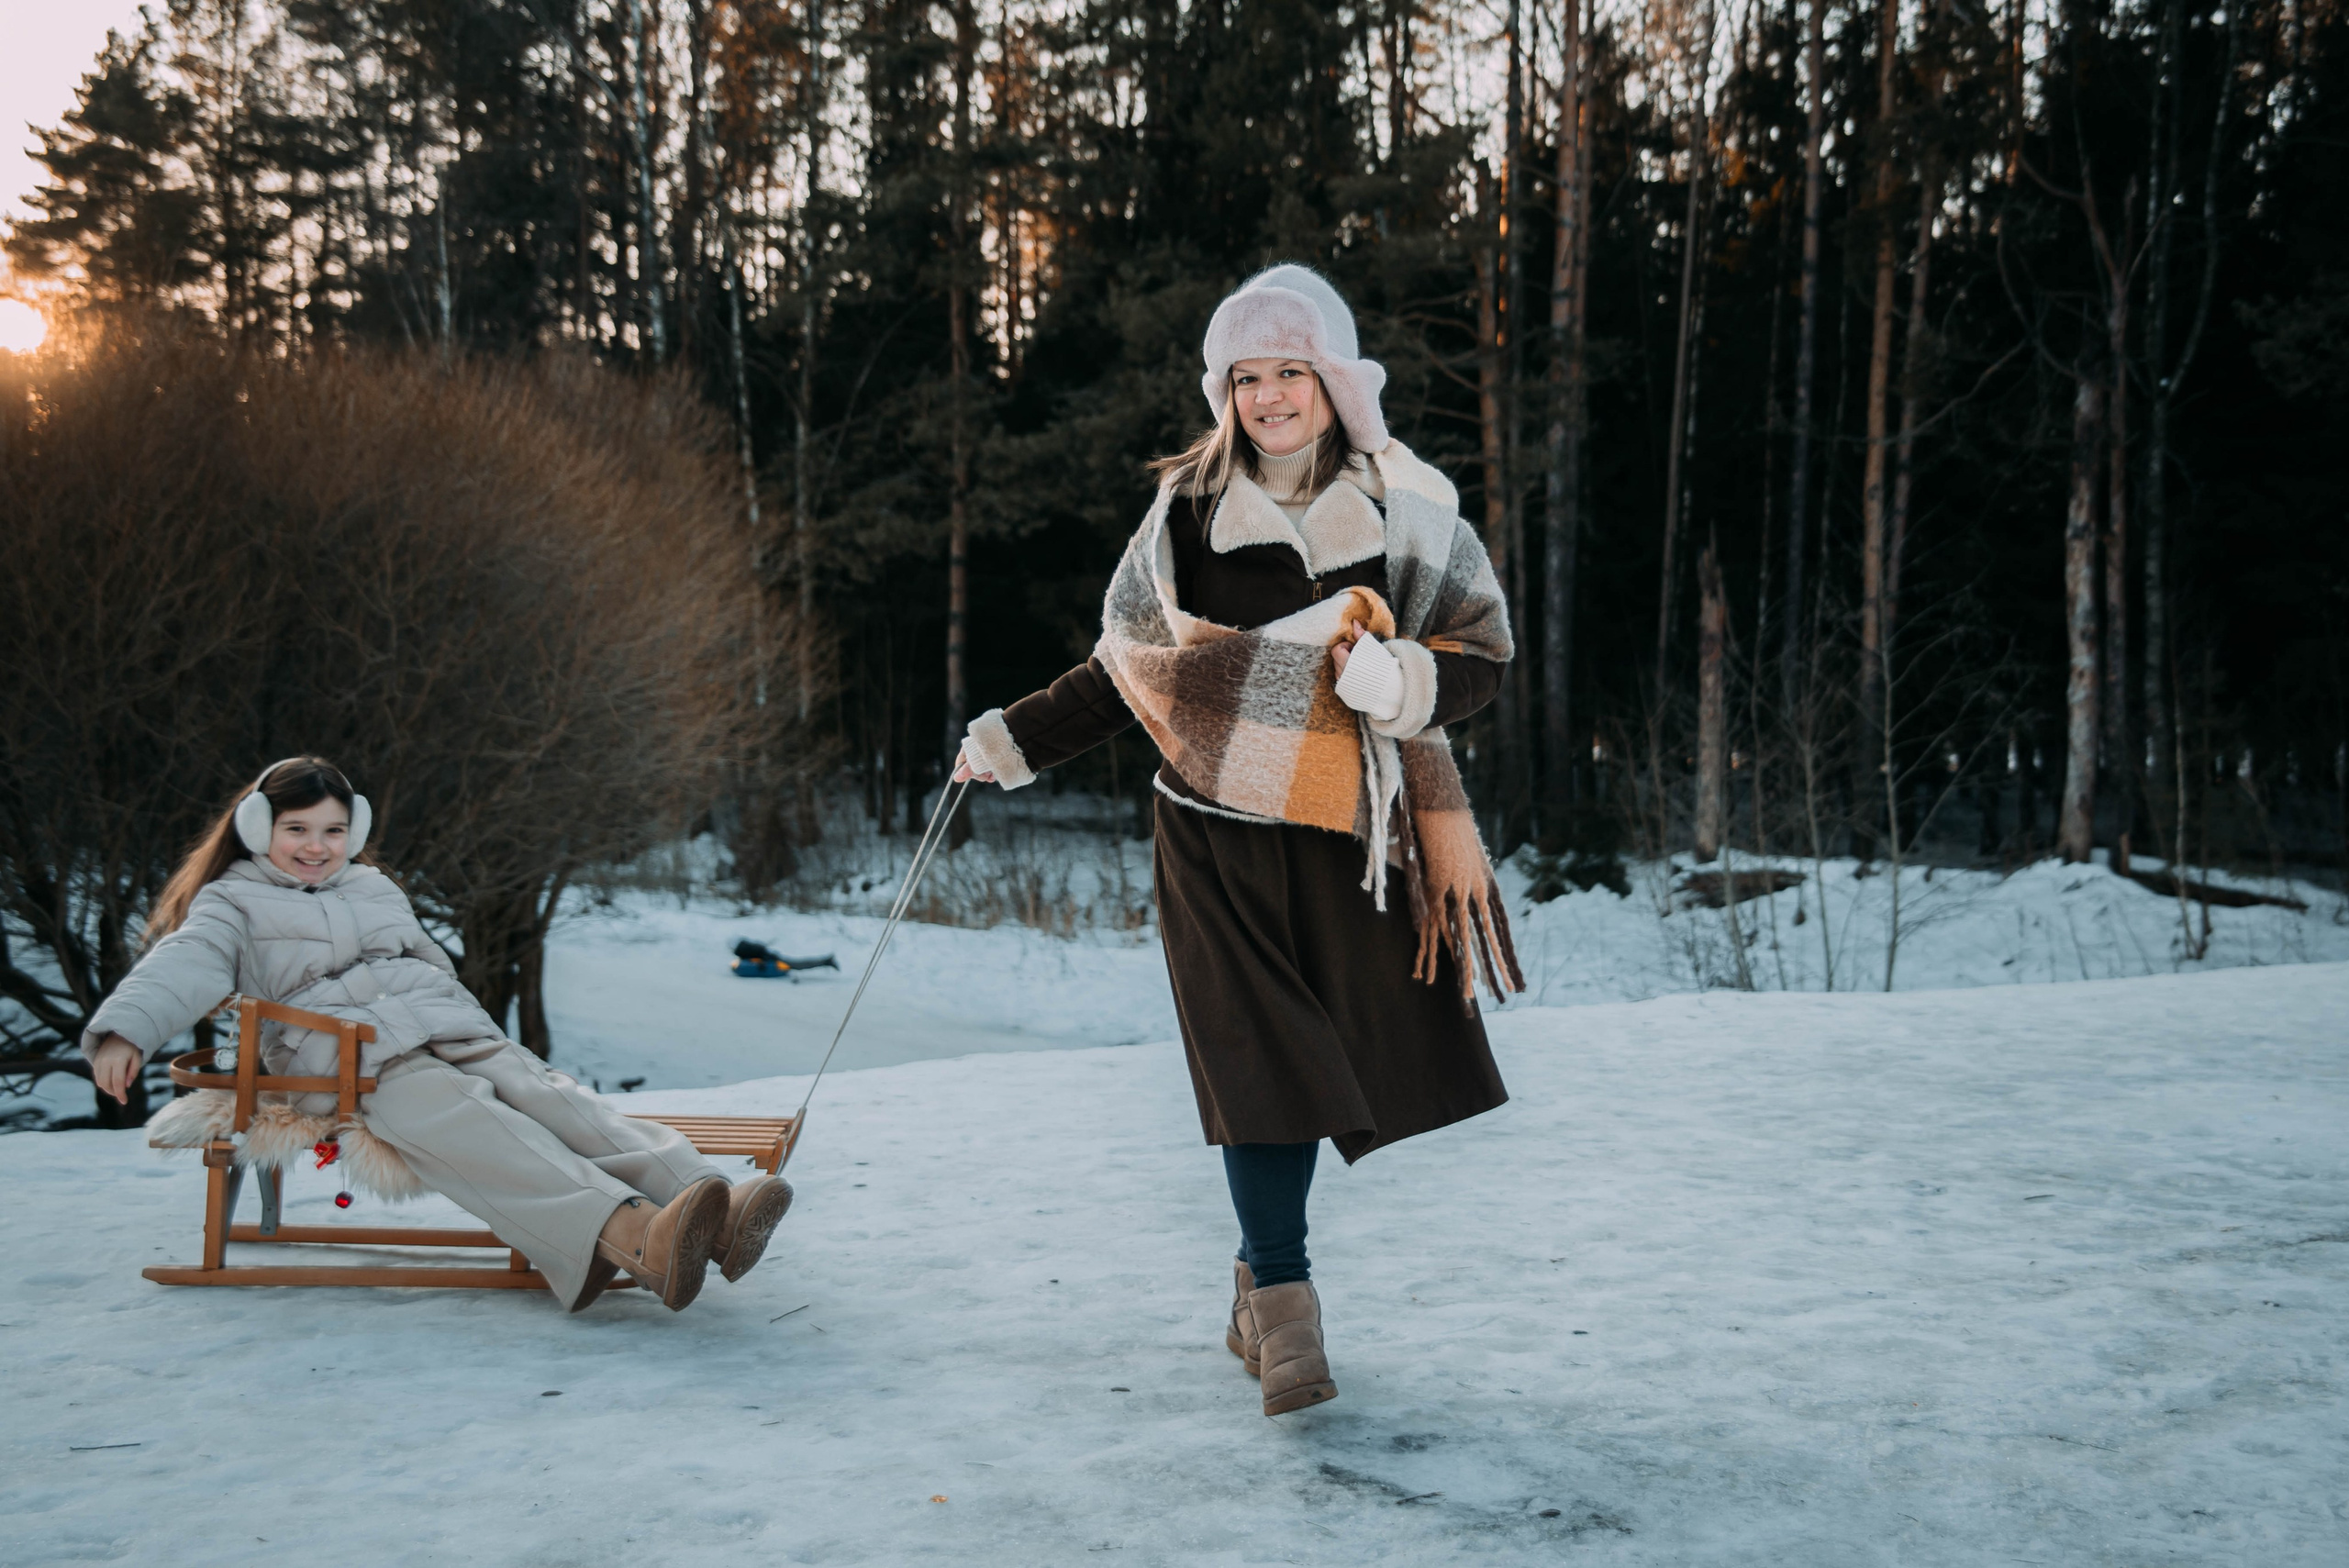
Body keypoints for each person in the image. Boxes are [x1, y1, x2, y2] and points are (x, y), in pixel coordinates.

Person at [952, 265, 1523, 1416]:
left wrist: (1403, 676)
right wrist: (1011, 739)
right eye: (1245, 376)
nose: (1267, 396)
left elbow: (1483, 659)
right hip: (1209, 834)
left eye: (1289, 372)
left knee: (1325, 1058)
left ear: (1334, 380)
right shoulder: (1185, 516)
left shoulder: (1410, 506)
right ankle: (1284, 1300)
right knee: (1264, 1064)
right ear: (1225, 391)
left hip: (1344, 833)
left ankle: (1253, 1289)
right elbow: (1132, 673)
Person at [84, 755, 790, 1313]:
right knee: (478, 1122)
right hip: (348, 1061)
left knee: (559, 1101)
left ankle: (713, 1209)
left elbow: (424, 955)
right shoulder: (232, 900)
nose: (316, 846)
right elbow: (183, 963)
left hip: (442, 1023)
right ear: (258, 825)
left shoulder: (372, 885)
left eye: (332, 831)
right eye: (296, 829)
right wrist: (124, 1031)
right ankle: (639, 1237)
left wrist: (447, 1006)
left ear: (352, 833)